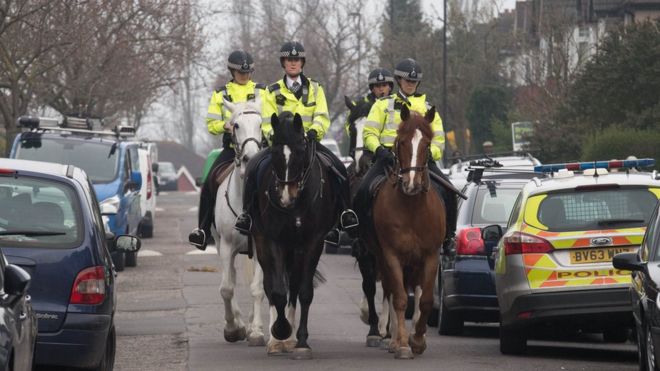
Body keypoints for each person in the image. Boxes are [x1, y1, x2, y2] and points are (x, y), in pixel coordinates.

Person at [234, 41, 358, 245]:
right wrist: (275, 137)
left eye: (297, 60)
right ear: (283, 63)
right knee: (254, 168)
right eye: (289, 60)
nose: (293, 63)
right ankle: (247, 215)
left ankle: (344, 216)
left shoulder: (316, 88)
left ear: (302, 63)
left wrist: (313, 132)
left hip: (308, 143)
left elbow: (322, 116)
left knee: (338, 169)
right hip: (281, 145)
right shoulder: (271, 91)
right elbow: (266, 120)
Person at [353, 58, 458, 240]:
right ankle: (361, 234)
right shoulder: (383, 104)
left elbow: (439, 139)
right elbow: (369, 132)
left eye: (414, 81)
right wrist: (379, 151)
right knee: (362, 190)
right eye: (407, 80)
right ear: (399, 80)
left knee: (449, 191)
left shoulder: (428, 109)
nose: (411, 84)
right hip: (388, 159)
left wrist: (427, 155)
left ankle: (448, 237)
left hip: (420, 161)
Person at [188, 50, 267, 250]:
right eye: (241, 73)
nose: (245, 76)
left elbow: (269, 118)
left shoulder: (262, 92)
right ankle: (203, 229)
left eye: (248, 73)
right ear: (232, 71)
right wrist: (225, 125)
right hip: (232, 149)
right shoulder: (220, 94)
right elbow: (211, 123)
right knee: (210, 181)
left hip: (259, 148)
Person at [345, 68, 394, 160]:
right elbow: (351, 128)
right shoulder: (361, 105)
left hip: (393, 151)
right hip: (366, 151)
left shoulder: (397, 104)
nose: (381, 89)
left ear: (390, 87)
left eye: (384, 85)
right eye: (377, 86)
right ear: (372, 88)